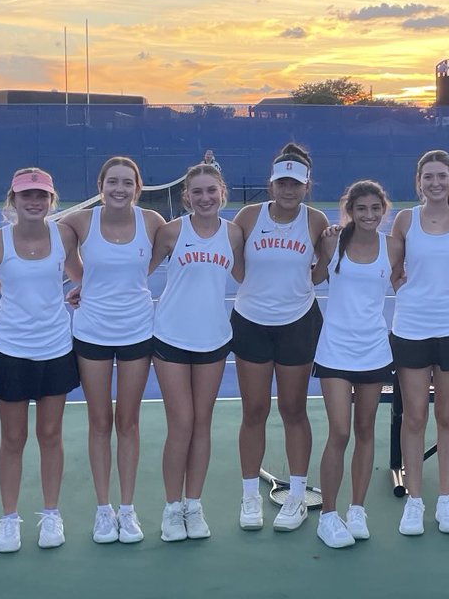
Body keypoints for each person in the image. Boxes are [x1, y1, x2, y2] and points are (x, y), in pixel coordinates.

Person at [64, 156, 166, 544]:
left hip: (138, 331)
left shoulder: (153, 223)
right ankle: (103, 510)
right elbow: (49, 245)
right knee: (99, 422)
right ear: (100, 185)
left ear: (137, 188)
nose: (119, 189)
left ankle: (127, 508)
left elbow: (151, 263)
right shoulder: (79, 223)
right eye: (112, 182)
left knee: (128, 421)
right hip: (91, 333)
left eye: (127, 183)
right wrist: (83, 282)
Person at [231, 143, 331, 532]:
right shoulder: (247, 217)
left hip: (298, 323)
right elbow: (237, 269)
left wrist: (327, 252)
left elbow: (319, 273)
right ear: (271, 185)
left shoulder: (317, 220)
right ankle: (249, 497)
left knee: (293, 410)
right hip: (251, 322)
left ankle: (297, 497)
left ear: (307, 186)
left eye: (296, 184)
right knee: (254, 411)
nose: (288, 190)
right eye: (281, 183)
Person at [0, 167, 83, 553]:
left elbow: (78, 274)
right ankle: (9, 520)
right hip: (10, 351)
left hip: (56, 349)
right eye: (26, 195)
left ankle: (51, 514)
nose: (34, 202)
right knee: (12, 438)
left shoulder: (64, 237)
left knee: (50, 436)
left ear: (51, 201)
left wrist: (78, 288)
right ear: (13, 200)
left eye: (41, 195)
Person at [149, 163, 244, 541]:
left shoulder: (234, 234)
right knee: (182, 423)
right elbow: (138, 271)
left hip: (214, 340)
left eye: (211, 191)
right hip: (170, 337)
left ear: (223, 192)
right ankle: (172, 508)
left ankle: (194, 504)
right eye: (197, 192)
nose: (205, 198)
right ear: (186, 196)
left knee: (202, 423)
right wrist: (86, 289)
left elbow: (249, 276)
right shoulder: (172, 232)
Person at [387, 150, 449, 536]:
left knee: (448, 417)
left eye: (442, 176)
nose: (435, 183)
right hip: (410, 328)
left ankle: (444, 499)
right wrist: (411, 290)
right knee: (415, 416)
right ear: (418, 181)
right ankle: (415, 501)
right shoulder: (406, 220)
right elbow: (391, 268)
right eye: (428, 177)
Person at [310, 181, 395, 549]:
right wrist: (323, 251)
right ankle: (328, 515)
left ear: (383, 209)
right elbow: (312, 278)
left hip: (375, 350)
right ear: (350, 209)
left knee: (365, 431)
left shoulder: (393, 246)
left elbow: (409, 279)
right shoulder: (333, 241)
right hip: (334, 351)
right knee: (340, 432)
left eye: (375, 208)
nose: (369, 215)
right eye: (361, 208)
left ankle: (356, 509)